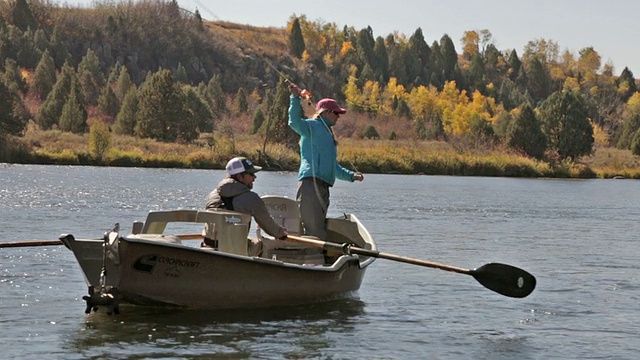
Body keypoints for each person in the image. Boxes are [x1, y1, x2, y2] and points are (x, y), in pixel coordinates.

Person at [288, 83, 364, 240]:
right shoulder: (312, 126)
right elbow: (294, 122)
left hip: (322, 187)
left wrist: (351, 176)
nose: (338, 117)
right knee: (313, 230)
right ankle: (313, 262)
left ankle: (315, 260)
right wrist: (295, 98)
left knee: (318, 227)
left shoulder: (329, 135)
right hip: (311, 184)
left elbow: (333, 167)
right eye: (336, 113)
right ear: (326, 112)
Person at [204, 156, 287, 255]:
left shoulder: (212, 195)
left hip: (209, 246)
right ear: (240, 177)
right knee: (261, 245)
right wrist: (281, 233)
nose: (255, 178)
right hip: (236, 248)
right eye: (251, 174)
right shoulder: (251, 198)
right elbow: (268, 225)